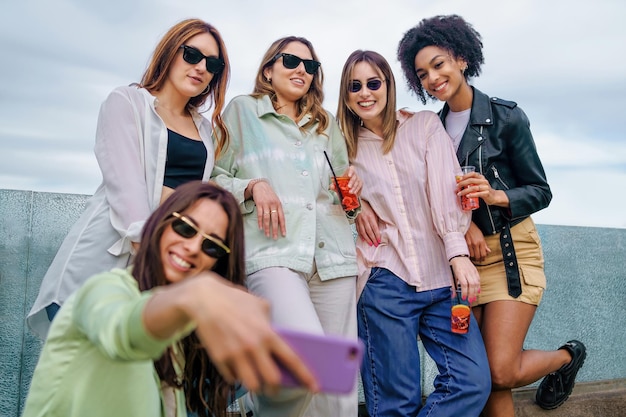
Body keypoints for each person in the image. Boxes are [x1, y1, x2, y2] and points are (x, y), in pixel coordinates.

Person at [397, 14, 586, 415]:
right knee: (481, 378)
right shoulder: (429, 127)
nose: (432, 78)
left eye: (439, 64)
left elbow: (541, 191)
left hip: (510, 254)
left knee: (500, 371)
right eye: (422, 73)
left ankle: (567, 358)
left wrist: (495, 195)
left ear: (462, 59)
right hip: (461, 264)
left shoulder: (506, 117)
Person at [22, 181, 319, 417]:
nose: (192, 247)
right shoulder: (102, 291)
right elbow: (122, 329)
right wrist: (194, 295)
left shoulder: (189, 342)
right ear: (160, 224)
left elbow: (265, 384)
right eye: (184, 228)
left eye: (212, 246)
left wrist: (291, 367)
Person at [28, 18, 231, 339]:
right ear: (169, 53)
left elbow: (198, 200)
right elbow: (126, 186)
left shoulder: (205, 130)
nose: (202, 67)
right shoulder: (126, 102)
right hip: (105, 264)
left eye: (213, 63)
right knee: (85, 380)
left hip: (162, 274)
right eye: (192, 54)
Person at [211, 36, 361, 417]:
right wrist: (251, 185)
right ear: (268, 69)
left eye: (310, 66)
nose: (302, 70)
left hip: (333, 258)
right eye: (291, 61)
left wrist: (354, 189)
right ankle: (254, 403)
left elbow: (343, 194)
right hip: (271, 253)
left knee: (336, 387)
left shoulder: (326, 125)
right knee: (306, 357)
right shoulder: (242, 112)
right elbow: (210, 179)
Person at [336, 49, 490, 417]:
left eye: (374, 83)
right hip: (385, 281)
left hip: (443, 280)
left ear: (388, 85)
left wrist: (458, 255)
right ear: (345, 95)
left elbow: (445, 192)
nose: (365, 93)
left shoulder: (423, 125)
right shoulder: (342, 145)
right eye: (354, 86)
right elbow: (331, 193)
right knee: (395, 404)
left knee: (471, 383)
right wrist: (357, 209)